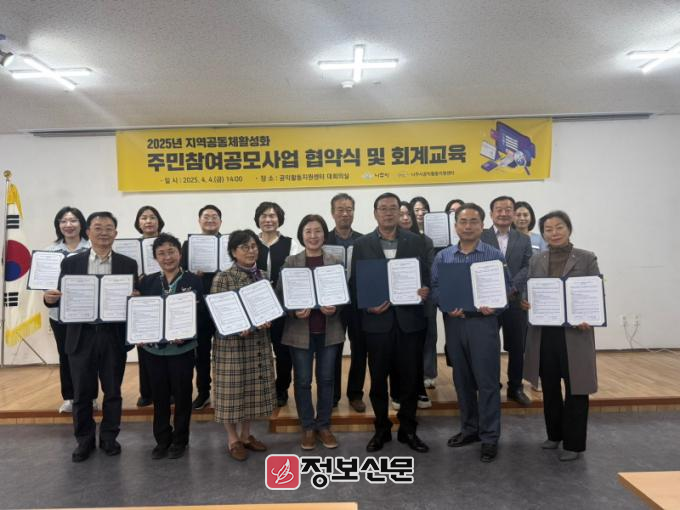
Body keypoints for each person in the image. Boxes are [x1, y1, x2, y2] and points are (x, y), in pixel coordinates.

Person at [44, 211, 138, 462]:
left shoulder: (128, 264)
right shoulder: (71, 263)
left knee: (113, 391)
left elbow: (133, 300)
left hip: (112, 336)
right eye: (98, 228)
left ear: (116, 234)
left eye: (108, 228)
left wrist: (136, 299)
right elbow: (60, 297)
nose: (103, 233)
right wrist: (49, 299)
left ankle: (109, 437)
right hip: (81, 335)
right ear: (88, 232)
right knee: (82, 393)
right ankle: (84, 440)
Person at [350, 192, 430, 454]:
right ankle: (381, 429)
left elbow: (426, 276)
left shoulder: (416, 241)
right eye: (382, 208)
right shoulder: (362, 244)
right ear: (375, 213)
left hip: (410, 322)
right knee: (378, 381)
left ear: (399, 211)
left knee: (410, 380)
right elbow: (356, 284)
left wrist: (424, 290)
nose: (388, 213)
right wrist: (367, 305)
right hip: (377, 323)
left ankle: (408, 430)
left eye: (392, 208)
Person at [431, 203, 510, 463]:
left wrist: (495, 306)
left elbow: (507, 289)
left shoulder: (493, 255)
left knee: (487, 382)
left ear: (482, 225)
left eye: (473, 221)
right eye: (463, 222)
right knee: (462, 380)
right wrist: (445, 304)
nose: (468, 226)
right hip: (455, 325)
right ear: (455, 226)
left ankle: (489, 436)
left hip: (483, 324)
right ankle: (469, 429)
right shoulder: (444, 257)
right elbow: (434, 288)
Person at [522, 211, 600, 461]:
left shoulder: (586, 258)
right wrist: (526, 301)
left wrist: (590, 315)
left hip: (576, 333)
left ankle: (574, 444)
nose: (554, 233)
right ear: (543, 233)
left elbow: (594, 292)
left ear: (569, 229)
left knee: (577, 388)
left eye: (559, 227)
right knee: (550, 386)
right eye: (548, 229)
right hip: (545, 332)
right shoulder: (536, 260)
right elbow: (529, 290)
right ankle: (554, 434)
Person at [279, 215, 344, 450]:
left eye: (318, 231)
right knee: (303, 381)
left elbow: (344, 296)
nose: (313, 236)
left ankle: (324, 426)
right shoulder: (291, 262)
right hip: (300, 331)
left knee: (326, 380)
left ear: (324, 234)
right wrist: (294, 312)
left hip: (329, 330)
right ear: (302, 235)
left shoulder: (335, 262)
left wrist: (336, 307)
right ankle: (307, 427)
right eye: (308, 231)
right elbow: (280, 296)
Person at [138, 233, 204, 460]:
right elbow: (141, 313)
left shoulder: (194, 281)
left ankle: (180, 440)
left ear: (180, 253)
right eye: (161, 253)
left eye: (171, 252)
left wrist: (186, 333)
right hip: (153, 351)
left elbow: (201, 315)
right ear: (156, 258)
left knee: (183, 395)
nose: (167, 257)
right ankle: (162, 440)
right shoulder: (147, 282)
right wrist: (140, 333)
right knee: (160, 396)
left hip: (182, 350)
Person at [211, 229, 276, 461]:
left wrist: (269, 317)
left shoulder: (264, 276)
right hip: (232, 346)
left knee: (252, 392)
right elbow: (219, 314)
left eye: (254, 246)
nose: (251, 251)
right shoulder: (223, 278)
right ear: (233, 251)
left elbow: (269, 306)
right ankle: (233, 439)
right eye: (244, 247)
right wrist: (238, 326)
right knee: (232, 393)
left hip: (257, 342)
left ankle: (246, 435)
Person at [481, 196, 533, 406]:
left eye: (508, 209)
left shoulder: (523, 239)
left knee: (517, 347)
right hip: (488, 303)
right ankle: (491, 386)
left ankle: (515, 388)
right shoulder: (481, 236)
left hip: (514, 301)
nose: (503, 213)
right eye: (499, 209)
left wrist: (511, 287)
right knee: (488, 347)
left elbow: (528, 266)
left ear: (513, 213)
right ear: (491, 213)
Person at [253, 201, 301, 407]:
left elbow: (296, 273)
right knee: (257, 350)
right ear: (258, 219)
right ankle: (259, 390)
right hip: (257, 307)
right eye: (264, 216)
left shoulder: (291, 244)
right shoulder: (250, 243)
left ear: (279, 219)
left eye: (272, 216)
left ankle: (281, 389)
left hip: (282, 307)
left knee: (282, 351)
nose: (268, 220)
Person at [45, 207, 91, 414]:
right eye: (63, 221)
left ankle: (89, 396)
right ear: (58, 225)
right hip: (59, 314)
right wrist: (48, 294)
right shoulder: (49, 252)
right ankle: (70, 397)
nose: (68, 225)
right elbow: (44, 283)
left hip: (87, 313)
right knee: (65, 355)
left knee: (88, 356)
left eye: (73, 220)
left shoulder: (92, 248)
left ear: (81, 224)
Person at [325, 193, 366, 413]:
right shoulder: (324, 240)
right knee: (333, 350)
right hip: (333, 305)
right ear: (332, 213)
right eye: (340, 209)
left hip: (359, 304)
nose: (345, 214)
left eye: (349, 209)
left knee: (359, 350)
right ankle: (332, 395)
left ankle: (355, 394)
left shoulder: (364, 241)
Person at [392, 201, 433, 409]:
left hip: (419, 305)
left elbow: (430, 271)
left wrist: (425, 286)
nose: (406, 217)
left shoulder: (423, 241)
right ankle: (398, 392)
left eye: (408, 213)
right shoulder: (389, 241)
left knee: (417, 350)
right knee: (397, 354)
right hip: (394, 308)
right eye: (401, 214)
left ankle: (419, 389)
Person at [181, 204, 221, 410]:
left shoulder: (229, 243)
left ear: (220, 221)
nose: (210, 220)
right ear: (199, 221)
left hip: (224, 305)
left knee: (227, 353)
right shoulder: (188, 245)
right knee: (202, 352)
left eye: (214, 216)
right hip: (200, 307)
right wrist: (191, 274)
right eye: (206, 216)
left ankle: (226, 393)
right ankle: (203, 391)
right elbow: (181, 272)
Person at [133, 205, 166, 408]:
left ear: (159, 221)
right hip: (142, 297)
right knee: (144, 346)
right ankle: (146, 392)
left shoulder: (168, 243)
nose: (148, 221)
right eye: (143, 217)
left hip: (165, 295)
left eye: (152, 217)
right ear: (138, 223)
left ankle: (168, 391)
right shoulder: (131, 247)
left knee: (166, 345)